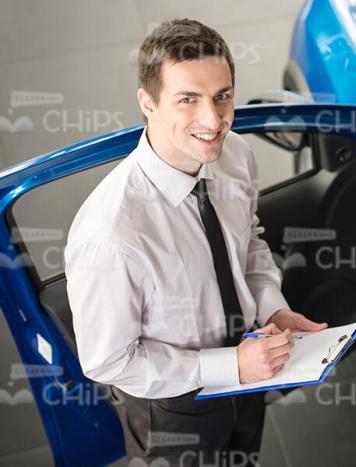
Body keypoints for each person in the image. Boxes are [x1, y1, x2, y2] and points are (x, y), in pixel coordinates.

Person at [64, 19, 326, 466]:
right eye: (188, 100)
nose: (213, 120)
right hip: (176, 406)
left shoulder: (235, 155)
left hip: (250, 373)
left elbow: (250, 243)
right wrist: (229, 366)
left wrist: (272, 308)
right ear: (148, 103)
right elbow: (108, 362)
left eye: (222, 96)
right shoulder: (110, 234)